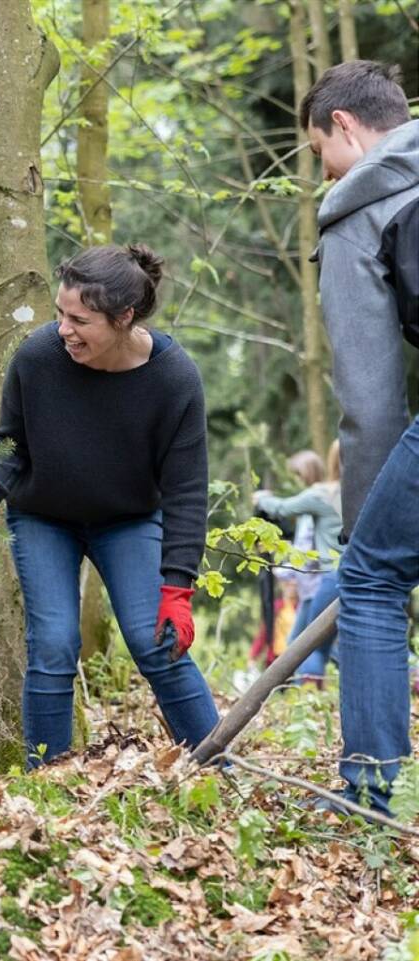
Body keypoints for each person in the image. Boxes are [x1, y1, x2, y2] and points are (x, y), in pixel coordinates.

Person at [0, 243, 220, 768]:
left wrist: (178, 589)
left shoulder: (174, 379)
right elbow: (12, 444)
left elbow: (187, 489)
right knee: (52, 644)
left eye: (80, 319)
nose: (64, 329)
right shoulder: (38, 357)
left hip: (129, 520)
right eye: (59, 314)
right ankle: (48, 782)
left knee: (156, 641)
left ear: (124, 317)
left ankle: (218, 768)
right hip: (45, 516)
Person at [301, 60, 419, 813]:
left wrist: (363, 521)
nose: (324, 171)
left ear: (346, 125)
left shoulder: (359, 211)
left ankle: (367, 792)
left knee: (372, 578)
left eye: (320, 152)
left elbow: (372, 401)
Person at [251, 443, 342, 685]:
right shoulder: (365, 492)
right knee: (314, 642)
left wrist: (262, 499)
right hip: (359, 574)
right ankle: (412, 672)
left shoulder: (324, 494)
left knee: (311, 646)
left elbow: (282, 508)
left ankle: (304, 699)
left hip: (328, 578)